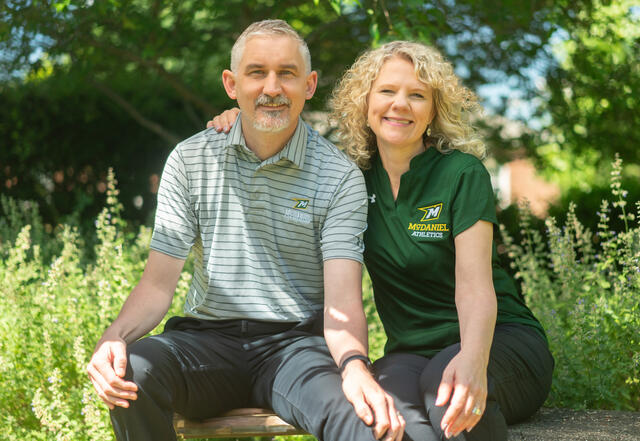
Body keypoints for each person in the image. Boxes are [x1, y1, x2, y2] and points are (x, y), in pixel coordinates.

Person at [210, 40, 554, 441]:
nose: (400, 104)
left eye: (417, 95)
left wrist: (473, 359)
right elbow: (281, 140)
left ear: (433, 109)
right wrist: (243, 117)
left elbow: (475, 287)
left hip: (499, 342)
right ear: (365, 103)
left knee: (446, 395)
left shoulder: (462, 173)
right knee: (381, 419)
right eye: (387, 91)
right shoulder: (347, 179)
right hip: (410, 354)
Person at [87, 19, 405, 441]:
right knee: (133, 375)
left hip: (295, 350)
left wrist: (355, 368)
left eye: (286, 73)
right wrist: (114, 338)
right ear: (231, 84)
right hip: (205, 343)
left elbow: (342, 304)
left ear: (309, 85)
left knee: (361, 419)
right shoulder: (190, 160)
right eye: (257, 72)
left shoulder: (339, 176)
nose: (272, 87)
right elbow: (157, 286)